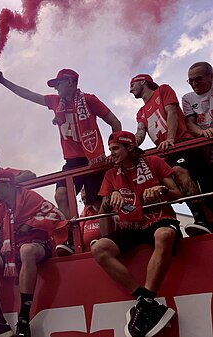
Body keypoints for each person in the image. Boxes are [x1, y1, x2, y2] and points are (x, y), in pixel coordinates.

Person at [0, 68, 121, 255]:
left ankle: (110, 239)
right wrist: (4, 82)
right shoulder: (55, 102)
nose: (56, 89)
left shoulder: (89, 100)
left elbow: (114, 122)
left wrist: (114, 150)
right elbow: (29, 95)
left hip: (94, 158)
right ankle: (71, 238)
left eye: (58, 84)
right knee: (61, 195)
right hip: (72, 161)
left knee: (98, 202)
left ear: (70, 82)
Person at [91, 131, 182, 337]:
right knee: (99, 248)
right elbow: (102, 210)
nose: (111, 153)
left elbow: (179, 194)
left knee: (164, 235)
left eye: (115, 148)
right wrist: (110, 197)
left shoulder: (154, 162)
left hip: (159, 219)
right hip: (131, 226)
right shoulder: (111, 175)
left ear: (130, 148)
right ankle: (145, 300)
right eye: (110, 149)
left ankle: (145, 304)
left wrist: (161, 190)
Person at [0, 170, 66, 337]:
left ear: (8, 185)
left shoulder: (30, 197)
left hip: (38, 244)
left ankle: (23, 320)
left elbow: (58, 215)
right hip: (12, 249)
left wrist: (30, 224)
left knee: (27, 250)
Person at [130, 74, 213, 235]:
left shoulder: (163, 90)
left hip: (182, 142)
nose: (130, 89)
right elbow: (140, 133)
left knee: (182, 172)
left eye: (132, 84)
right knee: (173, 182)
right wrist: (126, 145)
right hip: (166, 153)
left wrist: (170, 138)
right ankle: (201, 218)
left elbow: (172, 113)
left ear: (143, 82)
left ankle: (201, 219)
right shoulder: (140, 112)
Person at [182, 61, 213, 232]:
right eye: (190, 81)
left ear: (211, 76)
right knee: (206, 185)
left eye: (198, 79)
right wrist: (203, 133)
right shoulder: (188, 98)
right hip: (204, 147)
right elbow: (190, 123)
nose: (194, 84)